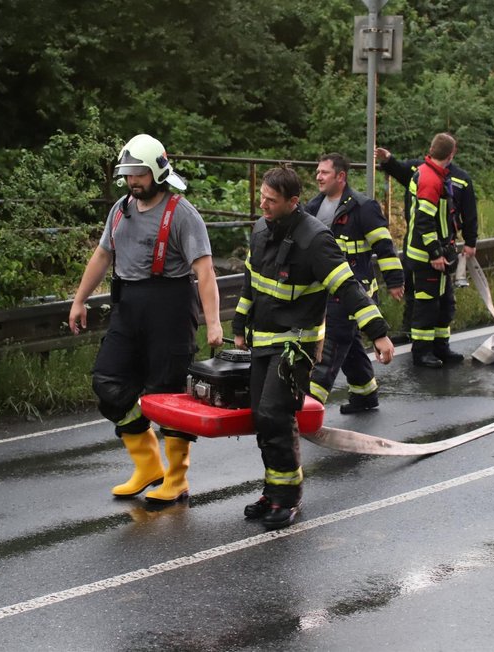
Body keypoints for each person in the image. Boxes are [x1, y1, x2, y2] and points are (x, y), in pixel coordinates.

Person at [231, 167, 394, 529]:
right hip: (262, 341)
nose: (264, 205)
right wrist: (239, 324)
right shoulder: (260, 231)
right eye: (262, 198)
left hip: (297, 346)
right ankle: (273, 490)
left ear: (293, 202)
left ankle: (288, 498)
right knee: (261, 417)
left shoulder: (315, 240)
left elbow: (349, 288)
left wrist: (378, 333)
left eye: (272, 201)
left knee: (276, 413)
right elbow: (250, 284)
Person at [68, 133, 223, 504]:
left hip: (169, 309)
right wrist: (79, 300)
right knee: (108, 382)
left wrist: (214, 322)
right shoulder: (120, 209)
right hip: (129, 308)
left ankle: (176, 478)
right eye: (128, 174)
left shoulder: (183, 214)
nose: (132, 181)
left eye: (139, 174)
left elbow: (204, 271)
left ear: (157, 172)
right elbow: (103, 255)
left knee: (167, 396)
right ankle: (147, 465)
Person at [304, 153, 404, 414]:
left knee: (330, 347)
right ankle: (365, 394)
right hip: (325, 290)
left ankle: (307, 411)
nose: (318, 176)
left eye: (324, 172)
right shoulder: (313, 207)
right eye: (318, 172)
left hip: (353, 292)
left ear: (341, 176)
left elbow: (384, 246)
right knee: (350, 348)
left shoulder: (363, 207)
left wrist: (394, 281)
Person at [375, 136, 478, 365]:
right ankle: (422, 352)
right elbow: (424, 222)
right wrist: (435, 253)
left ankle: (440, 347)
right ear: (452, 154)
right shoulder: (430, 179)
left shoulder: (434, 173)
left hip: (439, 251)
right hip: (427, 256)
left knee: (444, 303)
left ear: (431, 150)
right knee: (427, 304)